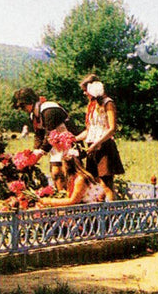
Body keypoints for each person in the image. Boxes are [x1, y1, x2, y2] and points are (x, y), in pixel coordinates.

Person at [76, 74, 126, 202]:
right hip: (93, 147)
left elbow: (112, 128)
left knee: (106, 184)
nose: (84, 93)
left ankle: (110, 215)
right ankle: (98, 214)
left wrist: (96, 143)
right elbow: (89, 130)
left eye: (85, 90)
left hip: (104, 146)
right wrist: (73, 139)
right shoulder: (92, 106)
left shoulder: (108, 103)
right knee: (94, 182)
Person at [13, 87, 70, 192]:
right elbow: (39, 134)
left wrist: (40, 152)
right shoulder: (34, 115)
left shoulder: (48, 110)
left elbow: (50, 133)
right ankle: (61, 195)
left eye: (23, 106)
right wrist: (34, 151)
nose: (22, 109)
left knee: (63, 173)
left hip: (67, 143)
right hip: (55, 144)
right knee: (55, 174)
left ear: (29, 101)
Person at [37, 152, 106, 207]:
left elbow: (73, 200)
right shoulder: (72, 179)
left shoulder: (80, 179)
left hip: (92, 209)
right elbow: (68, 196)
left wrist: (49, 201)